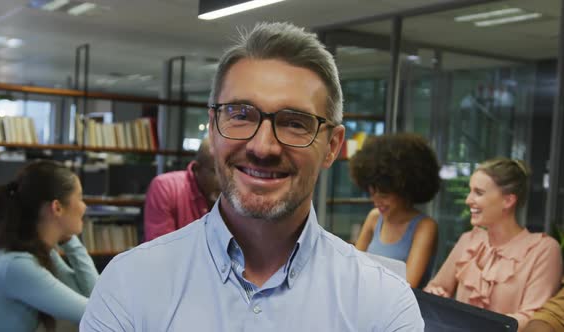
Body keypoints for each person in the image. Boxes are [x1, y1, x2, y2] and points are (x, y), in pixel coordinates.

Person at [80, 22, 424, 331]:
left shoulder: (383, 303)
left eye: (294, 123)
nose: (263, 146)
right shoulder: (130, 283)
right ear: (213, 129)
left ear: (332, 147)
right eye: (241, 115)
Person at [424, 157, 562, 330]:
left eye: (478, 193)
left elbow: (533, 318)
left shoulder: (543, 249)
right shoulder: (469, 240)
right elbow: (436, 288)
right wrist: (436, 295)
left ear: (508, 201)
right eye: (470, 191)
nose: (468, 200)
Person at [0, 160, 98, 332]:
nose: (84, 207)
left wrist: (68, 239)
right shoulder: (17, 265)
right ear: (57, 208)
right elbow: (99, 312)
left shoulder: (36, 254)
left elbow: (93, 295)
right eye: (80, 198)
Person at [350, 133, 441, 289]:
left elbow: (408, 284)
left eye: (384, 193)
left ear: (404, 189)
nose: (376, 200)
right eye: (372, 192)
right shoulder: (374, 218)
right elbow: (353, 268)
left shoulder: (424, 227)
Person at [143, 137, 220, 241]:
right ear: (197, 169)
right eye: (216, 171)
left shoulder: (232, 193)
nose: (224, 181)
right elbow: (161, 249)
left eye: (228, 172)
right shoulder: (165, 187)